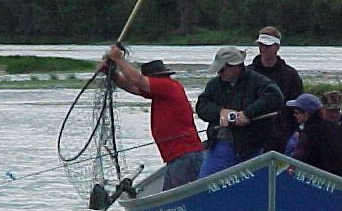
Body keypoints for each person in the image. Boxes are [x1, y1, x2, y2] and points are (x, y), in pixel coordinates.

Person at [104, 44, 203, 190]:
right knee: (171, 195)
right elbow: (131, 86)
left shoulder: (168, 86)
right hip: (177, 157)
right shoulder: (161, 92)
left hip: (185, 155)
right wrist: (111, 74)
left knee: (175, 197)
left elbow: (136, 80)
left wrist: (119, 59)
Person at [196, 46, 284, 177]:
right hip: (220, 144)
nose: (219, 73)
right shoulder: (214, 84)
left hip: (251, 146)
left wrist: (247, 114)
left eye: (222, 69)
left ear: (235, 66)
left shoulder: (257, 81)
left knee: (252, 187)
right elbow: (201, 106)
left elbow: (275, 98)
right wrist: (220, 112)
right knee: (203, 184)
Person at [249, 26, 303, 152]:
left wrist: (296, 131)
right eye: (260, 45)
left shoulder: (290, 75)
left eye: (267, 46)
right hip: (252, 136)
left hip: (281, 135)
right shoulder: (248, 73)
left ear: (277, 47)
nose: (263, 49)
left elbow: (298, 107)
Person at [284, 93, 342, 178]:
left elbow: (300, 158)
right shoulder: (334, 127)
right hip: (336, 178)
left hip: (315, 179)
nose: (294, 115)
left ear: (307, 114)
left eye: (297, 113)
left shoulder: (309, 132)